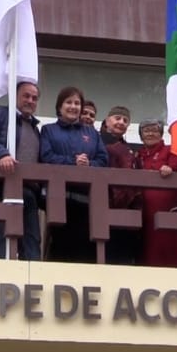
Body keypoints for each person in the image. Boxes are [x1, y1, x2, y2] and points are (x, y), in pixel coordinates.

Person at [0, 81, 43, 260]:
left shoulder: (36, 129)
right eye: (26, 96)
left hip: (27, 191)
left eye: (34, 98)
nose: (30, 100)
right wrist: (2, 154)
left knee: (32, 240)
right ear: (14, 96)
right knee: (0, 237)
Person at [41, 86, 108, 263]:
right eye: (68, 102)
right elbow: (46, 156)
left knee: (84, 247)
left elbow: (103, 160)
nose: (73, 106)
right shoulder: (48, 130)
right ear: (59, 106)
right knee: (57, 246)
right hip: (56, 198)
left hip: (86, 199)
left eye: (77, 103)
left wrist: (89, 164)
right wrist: (72, 162)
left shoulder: (92, 134)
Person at [135, 120, 177, 268]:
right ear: (140, 136)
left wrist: (170, 168)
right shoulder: (138, 156)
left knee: (169, 251)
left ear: (161, 134)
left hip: (167, 211)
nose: (150, 133)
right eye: (146, 130)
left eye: (154, 130)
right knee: (146, 251)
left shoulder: (171, 150)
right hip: (144, 212)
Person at [100, 105, 141, 264]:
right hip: (102, 202)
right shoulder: (97, 141)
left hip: (126, 208)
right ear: (107, 121)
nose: (121, 122)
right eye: (117, 118)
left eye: (125, 120)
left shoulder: (129, 150)